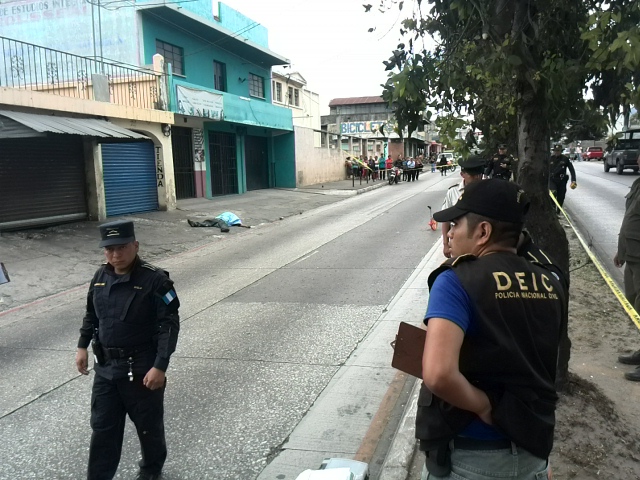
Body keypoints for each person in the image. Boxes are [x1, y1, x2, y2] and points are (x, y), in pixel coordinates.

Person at [417, 179, 567, 480]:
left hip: (471, 458)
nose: (450, 236)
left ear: (483, 232)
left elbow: (438, 374)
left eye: (456, 225)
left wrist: (485, 405)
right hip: (534, 452)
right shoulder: (552, 281)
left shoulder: (456, 281)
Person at [75, 220, 180, 480]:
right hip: (107, 369)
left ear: (135, 245)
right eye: (109, 249)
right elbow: (91, 315)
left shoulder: (156, 280)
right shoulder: (100, 277)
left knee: (148, 427)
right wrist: (82, 346)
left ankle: (151, 471)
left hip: (142, 368)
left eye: (121, 247)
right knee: (102, 429)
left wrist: (160, 366)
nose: (115, 255)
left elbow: (169, 326)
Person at [615, 152, 640, 381]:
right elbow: (629, 220)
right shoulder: (638, 183)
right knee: (634, 304)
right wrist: (621, 251)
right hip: (632, 255)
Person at [441, 155, 485, 258]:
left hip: (481, 240)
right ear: (462, 174)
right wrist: (445, 244)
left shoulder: (488, 191)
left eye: (479, 175)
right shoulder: (453, 192)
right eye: (473, 176)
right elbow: (446, 219)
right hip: (459, 240)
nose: (477, 179)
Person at [549, 144, 577, 209]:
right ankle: (553, 208)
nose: (557, 152)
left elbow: (571, 170)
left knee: (561, 196)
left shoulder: (565, 159)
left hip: (562, 180)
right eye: (555, 151)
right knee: (553, 193)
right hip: (552, 179)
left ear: (561, 151)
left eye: (558, 151)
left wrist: (573, 180)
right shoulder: (550, 159)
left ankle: (558, 211)